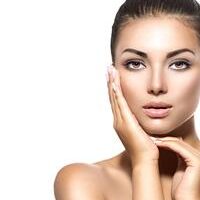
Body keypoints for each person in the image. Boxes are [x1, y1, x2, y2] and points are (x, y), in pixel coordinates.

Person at [54, 0, 200, 199]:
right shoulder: (84, 182)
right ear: (113, 73)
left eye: (179, 64)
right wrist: (144, 162)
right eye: (136, 64)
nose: (156, 85)